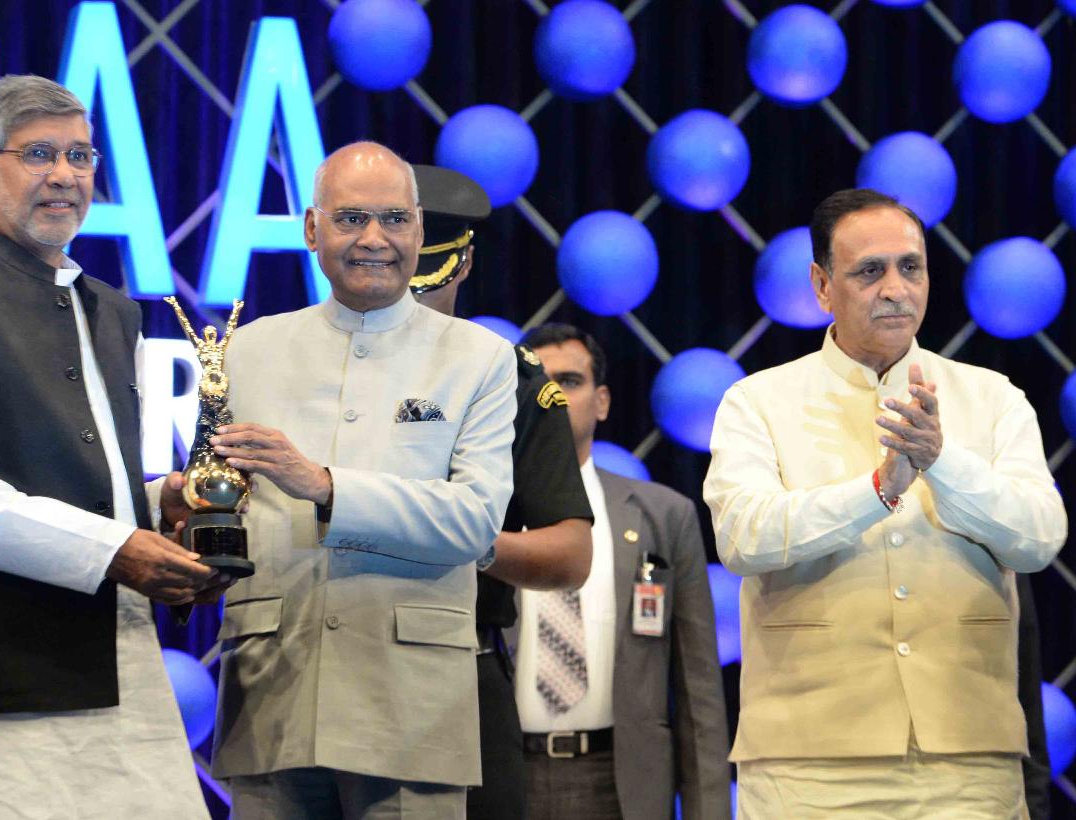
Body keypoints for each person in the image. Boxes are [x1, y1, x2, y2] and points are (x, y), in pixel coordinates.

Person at [0, 74, 217, 818]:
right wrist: (114, 548)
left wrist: (157, 503)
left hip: (123, 677)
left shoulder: (112, 311)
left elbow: (86, 487)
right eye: (38, 154)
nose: (64, 174)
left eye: (80, 155)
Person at [158, 141, 518, 819]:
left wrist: (325, 485)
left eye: (394, 219)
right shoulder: (247, 349)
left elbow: (474, 521)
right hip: (270, 697)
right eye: (351, 219)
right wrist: (177, 516)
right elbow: (213, 494)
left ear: (419, 228)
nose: (374, 239)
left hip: (410, 709)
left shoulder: (482, 358)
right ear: (311, 229)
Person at [704, 188, 1068, 818]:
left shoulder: (994, 398)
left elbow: (1038, 539)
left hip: (968, 761)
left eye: (910, 267)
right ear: (822, 286)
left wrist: (941, 462)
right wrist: (876, 491)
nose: (895, 288)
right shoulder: (757, 401)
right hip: (807, 766)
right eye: (870, 271)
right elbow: (743, 538)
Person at [409, 164, 594, 820]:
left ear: (461, 265)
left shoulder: (513, 380)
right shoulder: (299, 360)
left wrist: (452, 534)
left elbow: (570, 553)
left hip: (462, 655)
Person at [515, 324, 731, 820]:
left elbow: (698, 690)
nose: (552, 396)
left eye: (569, 381)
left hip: (624, 782)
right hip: (502, 778)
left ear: (602, 402)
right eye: (537, 383)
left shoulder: (665, 515)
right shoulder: (478, 511)